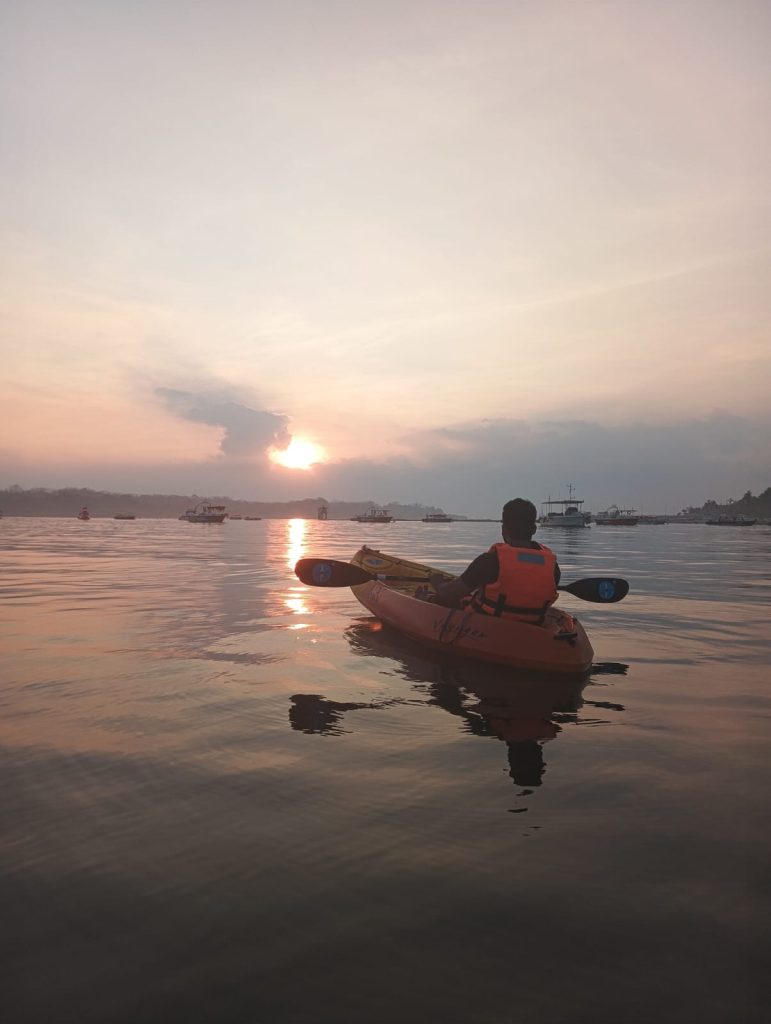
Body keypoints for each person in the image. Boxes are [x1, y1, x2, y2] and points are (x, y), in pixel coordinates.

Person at [429, 498, 560, 623]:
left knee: (435, 598)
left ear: (504, 529)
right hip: (535, 631)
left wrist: (438, 583)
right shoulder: (553, 568)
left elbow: (449, 594)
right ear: (534, 529)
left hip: (486, 629)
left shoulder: (489, 562)